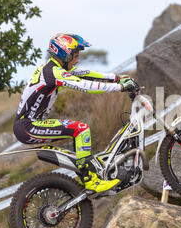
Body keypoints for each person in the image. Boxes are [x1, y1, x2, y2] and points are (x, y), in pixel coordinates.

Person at [13, 33, 138, 193]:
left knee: (79, 136)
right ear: (64, 55)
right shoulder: (53, 73)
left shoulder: (53, 68)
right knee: (80, 129)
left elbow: (85, 73)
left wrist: (116, 78)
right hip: (28, 127)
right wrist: (120, 87)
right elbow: (85, 85)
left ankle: (86, 172)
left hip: (28, 124)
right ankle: (90, 180)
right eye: (75, 55)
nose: (77, 60)